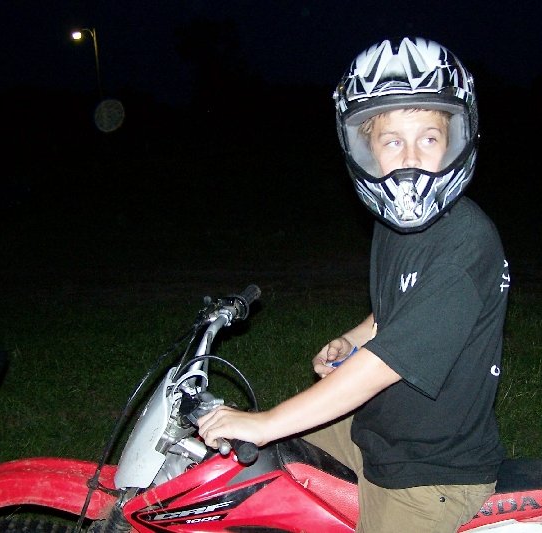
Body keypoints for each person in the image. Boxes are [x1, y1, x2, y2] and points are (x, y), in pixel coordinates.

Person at [199, 36, 510, 532]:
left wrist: (266, 422)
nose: (411, 158)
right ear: (365, 149)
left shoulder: (463, 246)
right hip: (378, 428)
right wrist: (353, 338)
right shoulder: (396, 224)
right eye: (392, 141)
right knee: (260, 477)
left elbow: (383, 366)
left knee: (271, 435)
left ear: (456, 140)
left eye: (429, 138)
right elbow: (396, 314)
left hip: (428, 473)